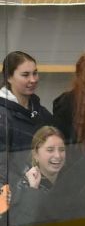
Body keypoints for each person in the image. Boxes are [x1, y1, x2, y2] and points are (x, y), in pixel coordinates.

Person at [1, 51, 55, 191]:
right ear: (9, 77)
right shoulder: (2, 115)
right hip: (15, 195)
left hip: (42, 190)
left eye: (35, 73)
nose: (33, 79)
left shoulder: (41, 112)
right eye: (25, 75)